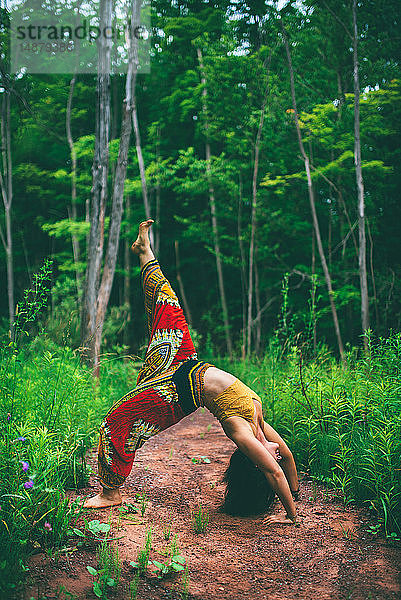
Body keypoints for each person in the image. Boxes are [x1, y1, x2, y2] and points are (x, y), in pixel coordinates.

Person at [84, 220, 299, 524]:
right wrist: (297, 492)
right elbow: (287, 460)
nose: (277, 452)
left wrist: (290, 516)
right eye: (274, 453)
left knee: (117, 420)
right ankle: (145, 252)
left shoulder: (244, 434)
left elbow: (273, 470)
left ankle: (110, 492)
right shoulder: (259, 427)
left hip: (175, 394)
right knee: (169, 308)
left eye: (269, 456)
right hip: (185, 361)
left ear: (256, 459)